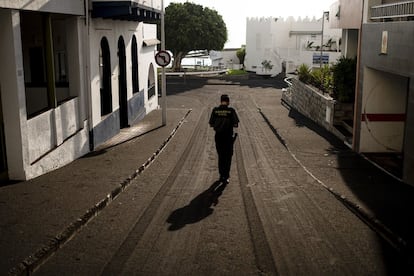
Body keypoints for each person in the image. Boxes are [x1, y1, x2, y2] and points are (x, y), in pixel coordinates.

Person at [209, 94, 239, 183]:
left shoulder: (215, 110)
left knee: (221, 156)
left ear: (221, 101)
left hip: (218, 136)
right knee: (228, 157)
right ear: (228, 101)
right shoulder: (231, 111)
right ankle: (226, 176)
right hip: (228, 137)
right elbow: (236, 124)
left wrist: (218, 125)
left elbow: (211, 123)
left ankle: (221, 175)